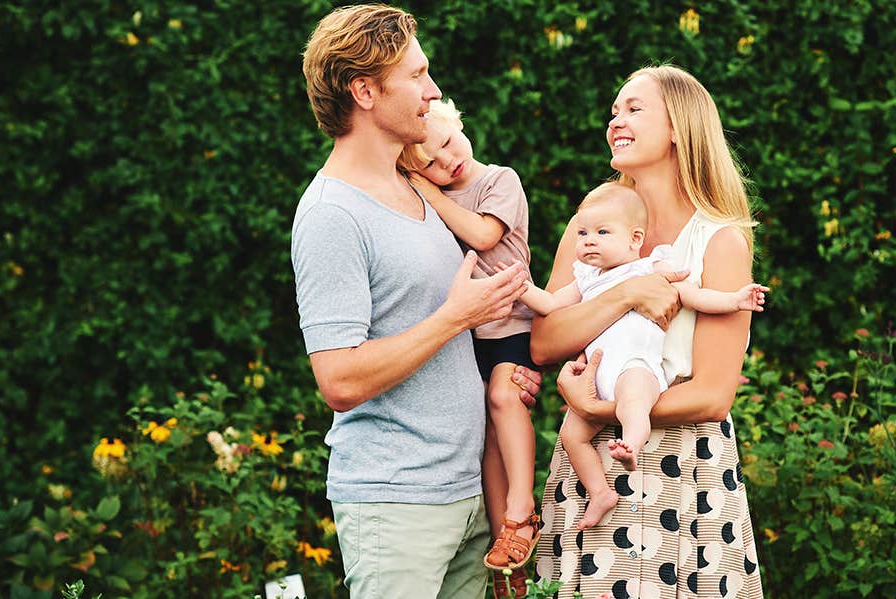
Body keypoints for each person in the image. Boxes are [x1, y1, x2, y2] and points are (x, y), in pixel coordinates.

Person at [291, 6, 541, 598]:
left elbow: (479, 324)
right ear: (366, 91)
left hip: (469, 498)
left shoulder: (421, 190)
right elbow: (340, 380)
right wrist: (457, 316)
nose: (433, 93)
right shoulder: (332, 214)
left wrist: (513, 364)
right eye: (418, 76)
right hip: (396, 505)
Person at [531, 65, 766, 598]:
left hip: (682, 470)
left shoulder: (720, 241)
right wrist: (629, 294)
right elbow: (545, 342)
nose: (616, 120)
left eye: (634, 109)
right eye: (614, 110)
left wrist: (597, 410)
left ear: (680, 127)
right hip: (591, 464)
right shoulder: (593, 220)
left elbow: (712, 395)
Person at [511, 182, 767, 532]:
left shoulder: (649, 268)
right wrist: (520, 287)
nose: (588, 240)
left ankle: (631, 442)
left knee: (633, 403)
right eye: (583, 232)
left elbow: (694, 295)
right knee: (573, 436)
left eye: (601, 232)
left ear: (634, 239)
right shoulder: (585, 277)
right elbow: (551, 308)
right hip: (600, 382)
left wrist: (734, 300)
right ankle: (600, 492)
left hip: (635, 369)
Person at [397, 98, 542, 592]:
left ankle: (522, 510)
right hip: (468, 335)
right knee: (487, 441)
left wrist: (429, 192)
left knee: (506, 397)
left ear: (459, 123)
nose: (447, 162)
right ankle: (506, 550)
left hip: (512, 325)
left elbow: (483, 234)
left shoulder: (498, 180)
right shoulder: (430, 198)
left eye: (447, 144)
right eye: (431, 165)